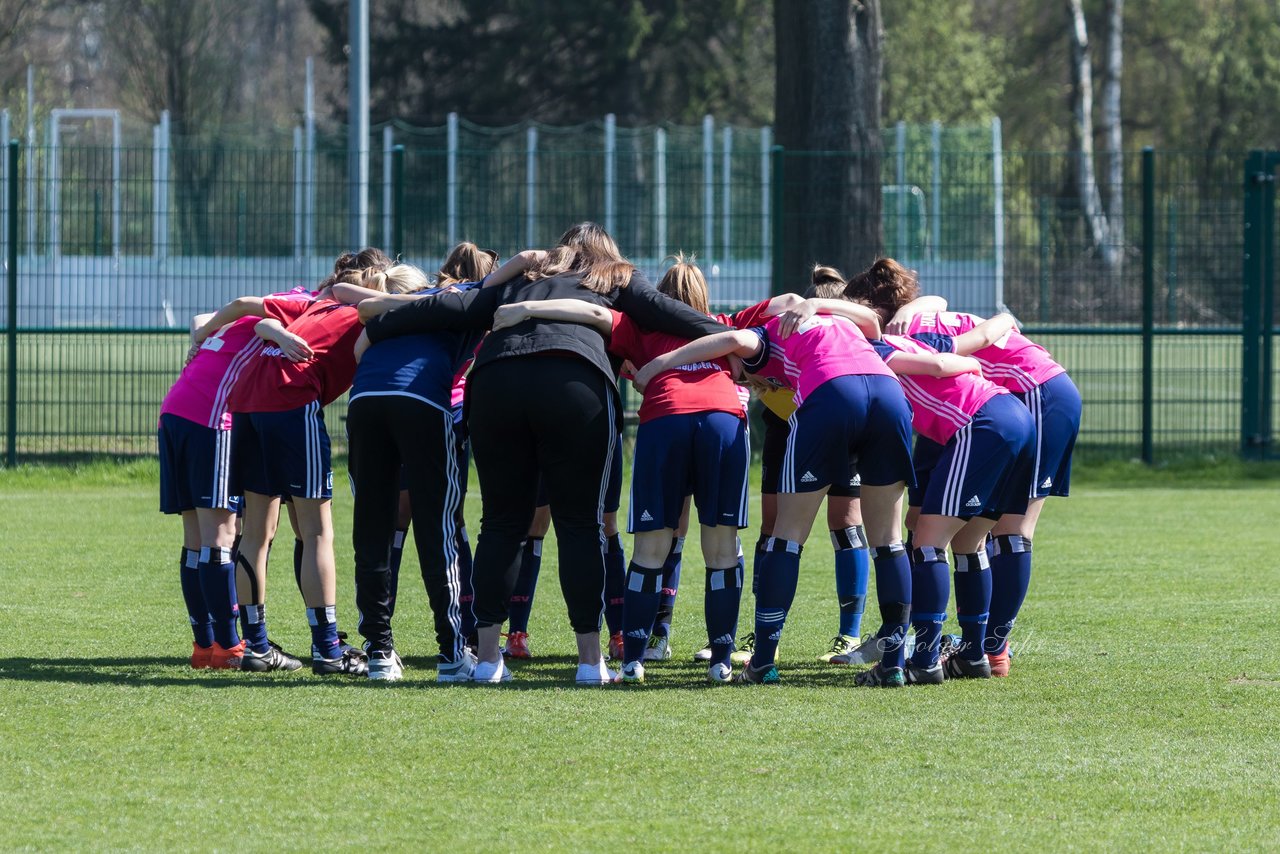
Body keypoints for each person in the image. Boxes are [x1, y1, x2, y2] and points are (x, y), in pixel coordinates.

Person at [361, 222, 726, 685]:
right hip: (574, 382)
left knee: (500, 523)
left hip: (497, 382)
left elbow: (453, 305)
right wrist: (741, 342)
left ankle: (489, 659)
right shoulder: (614, 274)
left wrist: (381, 323)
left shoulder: (524, 275)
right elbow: (669, 312)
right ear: (605, 251)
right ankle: (590, 663)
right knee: (580, 524)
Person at [633, 293, 916, 686]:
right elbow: (872, 318)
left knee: (787, 536)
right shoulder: (843, 321)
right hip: (889, 396)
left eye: (744, 375)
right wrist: (818, 303)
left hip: (831, 394)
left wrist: (659, 363)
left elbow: (732, 341)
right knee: (888, 539)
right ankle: (894, 662)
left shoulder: (767, 334)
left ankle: (763, 660)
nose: (750, 379)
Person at [495, 255, 752, 683]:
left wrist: (528, 308)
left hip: (666, 419)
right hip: (723, 419)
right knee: (723, 549)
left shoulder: (639, 326)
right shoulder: (720, 324)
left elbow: (593, 312)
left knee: (651, 549)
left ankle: (632, 660)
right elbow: (776, 316)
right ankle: (721, 661)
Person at [854, 260, 1080, 676]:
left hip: (1027, 395)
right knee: (964, 534)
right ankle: (974, 650)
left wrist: (971, 349)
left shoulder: (906, 335)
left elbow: (951, 357)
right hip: (1019, 403)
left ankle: (986, 649)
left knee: (1004, 531)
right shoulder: (921, 314)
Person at [193, 248, 392, 677]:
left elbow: (254, 312)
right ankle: (327, 650)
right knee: (317, 530)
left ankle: (257, 646)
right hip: (292, 399)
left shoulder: (316, 302)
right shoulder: (368, 309)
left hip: (246, 401)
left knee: (257, 534)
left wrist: (252, 330)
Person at [341, 247, 499, 682]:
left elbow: (358, 347)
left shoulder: (385, 317)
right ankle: (451, 653)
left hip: (365, 400)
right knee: (438, 529)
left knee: (372, 528)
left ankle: (379, 653)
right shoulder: (460, 302)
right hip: (421, 402)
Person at [859, 326, 1035, 685]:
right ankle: (972, 656)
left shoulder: (873, 349)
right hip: (1016, 416)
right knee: (970, 543)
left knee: (927, 543)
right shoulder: (911, 337)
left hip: (981, 422)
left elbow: (939, 365)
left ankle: (924, 659)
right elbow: (957, 357)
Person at [157, 285, 313, 670]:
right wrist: (278, 332)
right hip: (211, 417)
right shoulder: (298, 308)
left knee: (195, 538)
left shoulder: (236, 320)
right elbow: (262, 323)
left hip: (175, 410)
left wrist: (201, 337)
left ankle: (204, 646)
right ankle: (231, 647)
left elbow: (199, 322)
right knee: (221, 538)